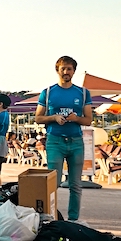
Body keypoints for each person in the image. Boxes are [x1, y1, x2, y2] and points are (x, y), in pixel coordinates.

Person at [34, 56, 92, 222]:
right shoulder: (48, 92)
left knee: (75, 184)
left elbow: (88, 119)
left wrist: (76, 118)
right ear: (57, 70)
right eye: (63, 69)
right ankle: (51, 217)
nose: (66, 72)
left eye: (70, 69)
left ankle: (73, 219)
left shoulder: (82, 92)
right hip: (55, 140)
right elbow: (38, 118)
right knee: (53, 182)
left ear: (74, 71)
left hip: (76, 141)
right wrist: (54, 117)